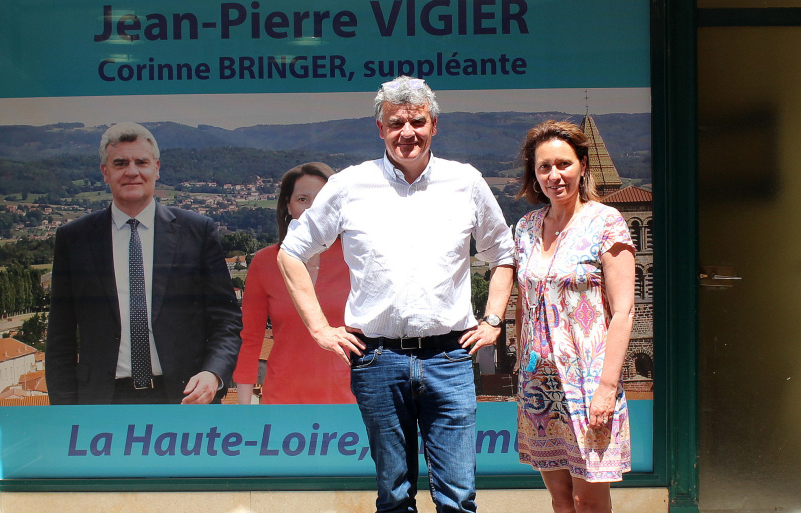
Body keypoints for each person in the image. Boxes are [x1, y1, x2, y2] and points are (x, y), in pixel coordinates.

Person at [277, 76, 515, 513]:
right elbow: (291, 253)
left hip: (449, 357)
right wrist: (319, 329)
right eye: (396, 123)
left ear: (434, 125)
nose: (408, 132)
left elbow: (503, 252)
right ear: (380, 128)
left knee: (459, 498)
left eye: (417, 122)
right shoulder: (350, 186)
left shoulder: (465, 182)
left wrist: (494, 320)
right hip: (377, 360)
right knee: (394, 497)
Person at [46, 122, 243, 405]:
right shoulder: (74, 238)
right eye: (120, 163)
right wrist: (64, 414)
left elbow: (227, 320)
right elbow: (60, 338)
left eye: (141, 162)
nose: (132, 171)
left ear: (157, 168)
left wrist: (213, 374)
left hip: (186, 398)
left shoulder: (197, 232)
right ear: (105, 172)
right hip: (102, 403)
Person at [514, 120, 635, 512]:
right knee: (562, 499)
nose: (554, 175)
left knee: (589, 499)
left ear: (583, 164)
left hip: (588, 382)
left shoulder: (606, 223)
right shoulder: (527, 228)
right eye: (544, 167)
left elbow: (623, 312)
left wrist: (606, 387)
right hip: (538, 384)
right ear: (534, 173)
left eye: (563, 164)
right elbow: (523, 303)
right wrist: (520, 366)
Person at [233, 162, 354, 404]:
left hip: (349, 400)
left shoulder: (357, 259)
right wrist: (243, 411)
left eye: (322, 200)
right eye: (302, 199)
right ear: (287, 205)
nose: (312, 209)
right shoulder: (264, 263)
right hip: (283, 400)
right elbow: (251, 340)